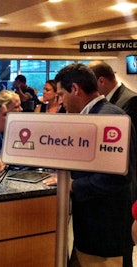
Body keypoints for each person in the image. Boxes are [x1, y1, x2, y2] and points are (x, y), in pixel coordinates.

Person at [54, 63, 136, 267]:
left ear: (75, 89)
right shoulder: (93, 116)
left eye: (61, 94)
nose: (61, 102)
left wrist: (72, 185)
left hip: (106, 234)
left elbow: (116, 177)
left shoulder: (109, 118)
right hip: (92, 231)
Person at [88, 60, 137, 267]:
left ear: (100, 81)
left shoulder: (130, 102)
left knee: (122, 246)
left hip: (125, 186)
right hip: (112, 187)